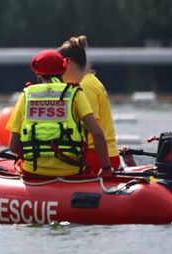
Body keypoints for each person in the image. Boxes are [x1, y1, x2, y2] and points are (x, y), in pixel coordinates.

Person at [7, 49, 112, 179]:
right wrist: (106, 168)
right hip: (70, 171)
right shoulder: (74, 92)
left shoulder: (27, 94)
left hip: (33, 172)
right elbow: (97, 133)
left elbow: (13, 146)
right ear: (63, 69)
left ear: (37, 72)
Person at [59, 34, 121, 172]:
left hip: (98, 156)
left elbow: (93, 131)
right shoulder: (89, 80)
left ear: (68, 63)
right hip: (102, 154)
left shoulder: (85, 87)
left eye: (59, 66)